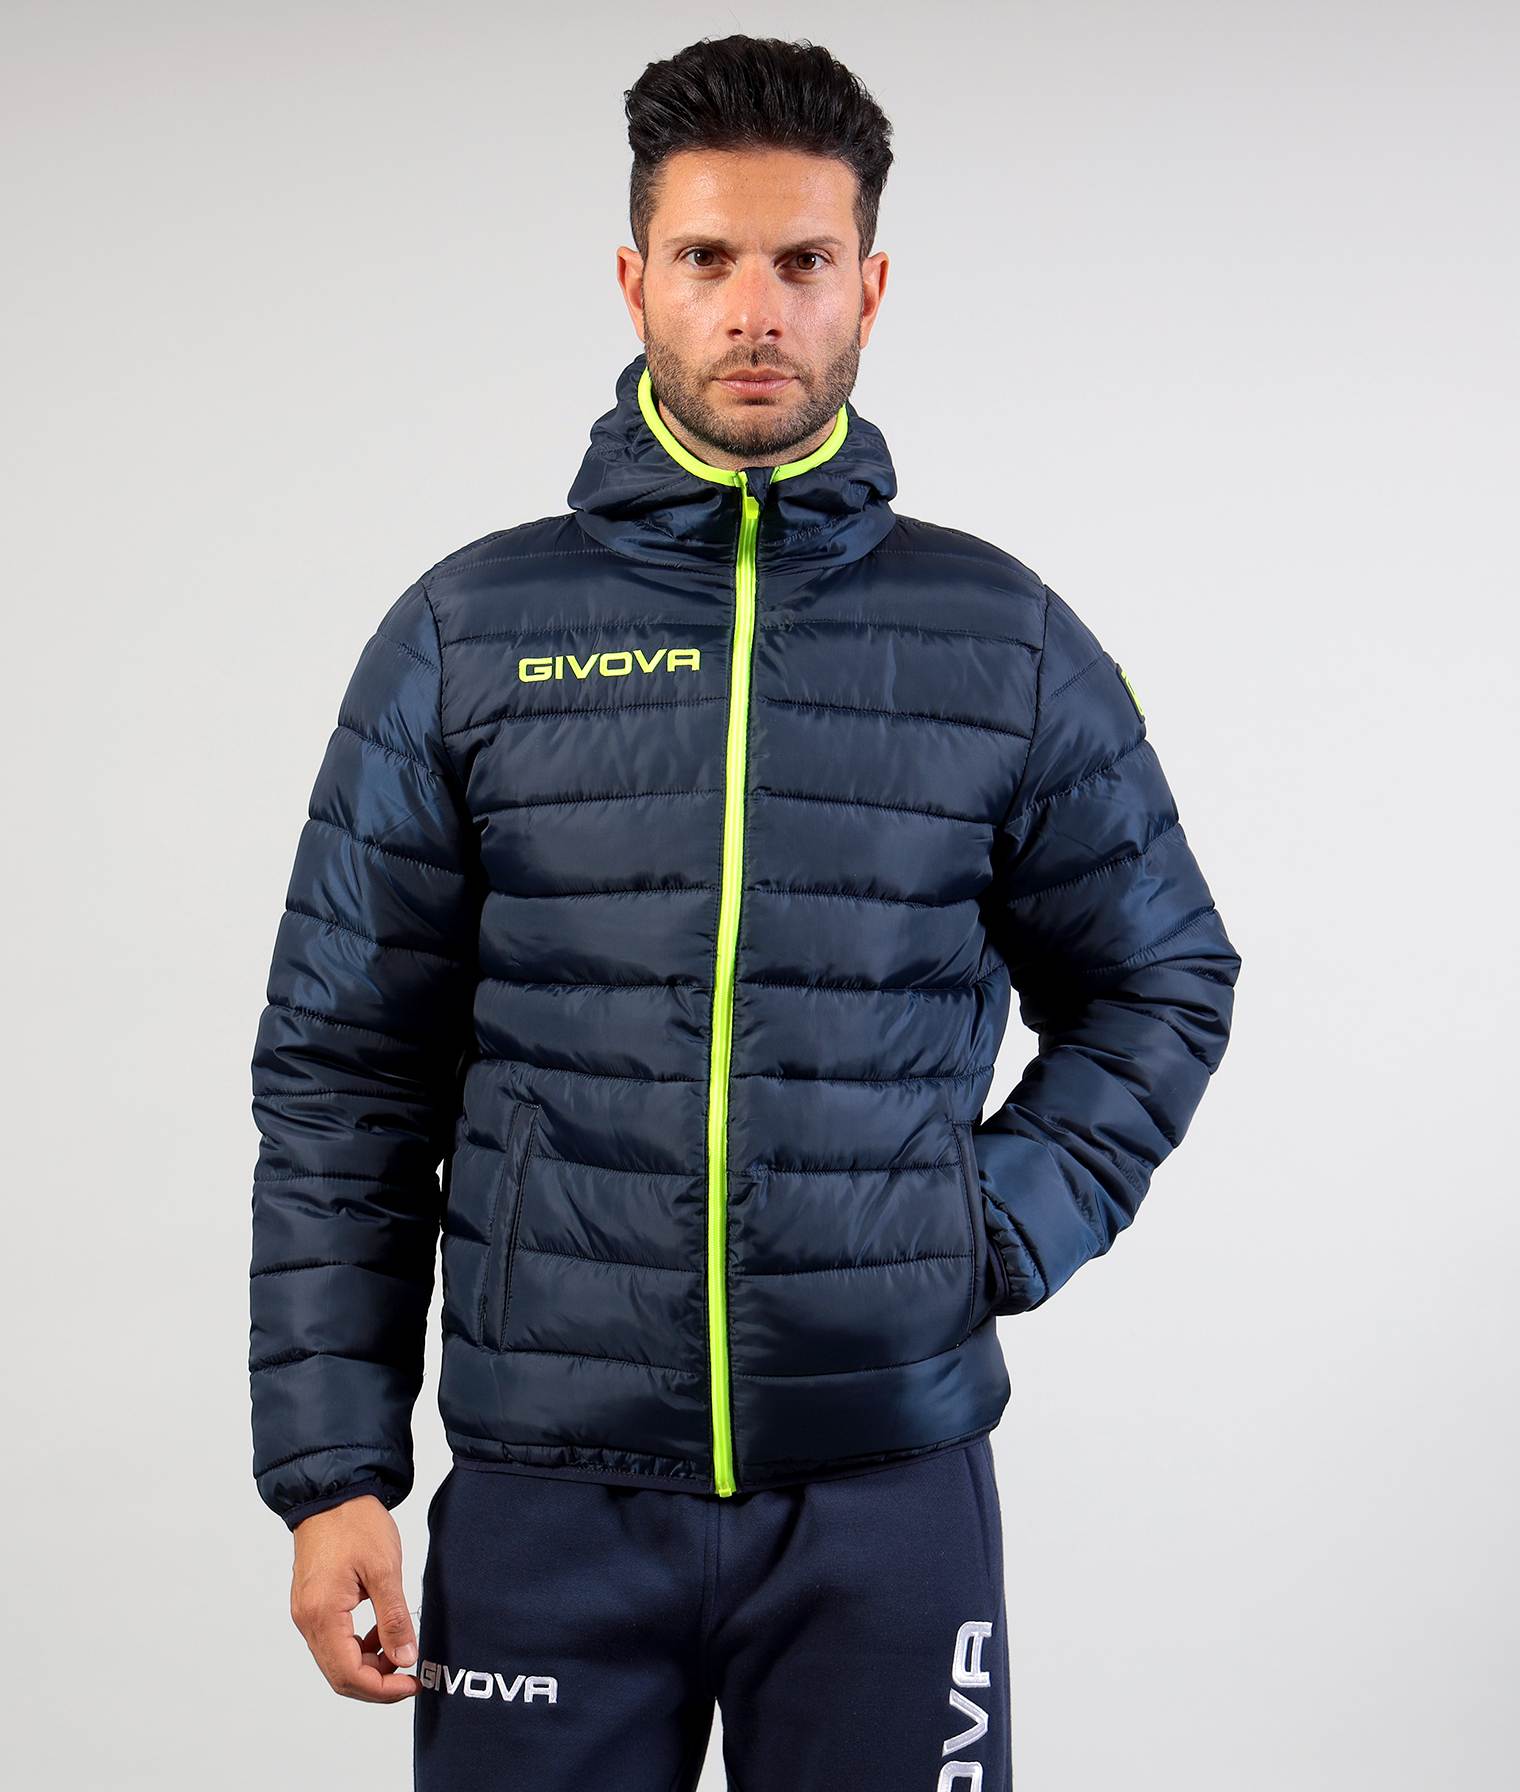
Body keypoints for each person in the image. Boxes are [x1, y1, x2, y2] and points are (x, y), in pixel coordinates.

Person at [249, 33, 1242, 1790]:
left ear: (872, 285)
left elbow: (1161, 977)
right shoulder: (469, 636)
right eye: (709, 257)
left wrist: (989, 1230)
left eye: (803, 260)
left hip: (885, 1488)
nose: (756, 310)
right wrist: (335, 1474)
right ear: (637, 277)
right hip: (550, 1489)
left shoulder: (1000, 640)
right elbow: (343, 1075)